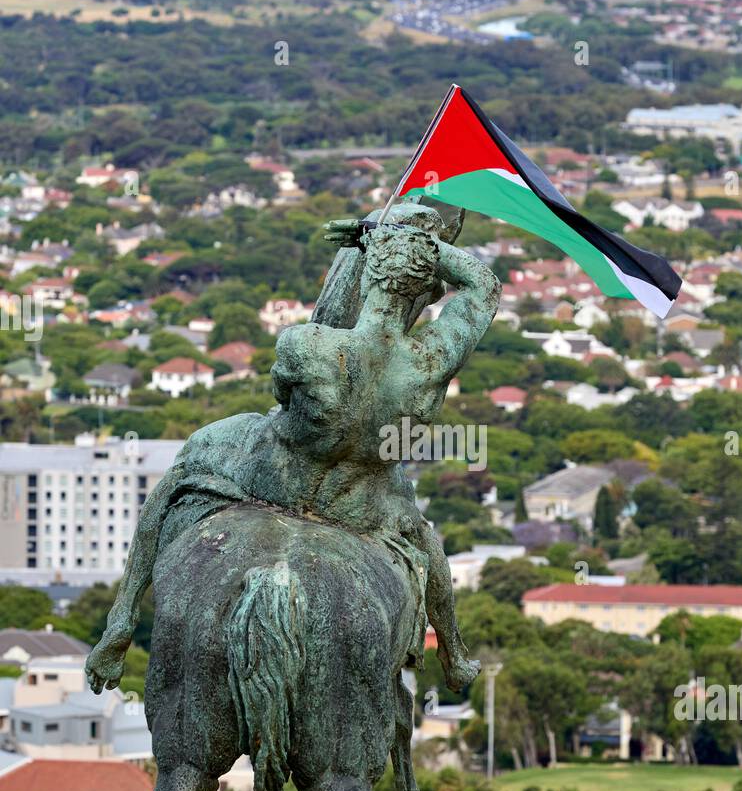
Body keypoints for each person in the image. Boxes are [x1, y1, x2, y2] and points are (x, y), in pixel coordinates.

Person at [86, 203, 501, 698]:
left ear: (366, 279)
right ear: (425, 293)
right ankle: (454, 653)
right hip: (361, 498)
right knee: (422, 536)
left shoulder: (306, 344)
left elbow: (282, 400)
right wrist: (427, 249)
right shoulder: (430, 360)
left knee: (184, 471)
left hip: (276, 475)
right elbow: (484, 285)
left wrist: (380, 232)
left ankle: (121, 622)